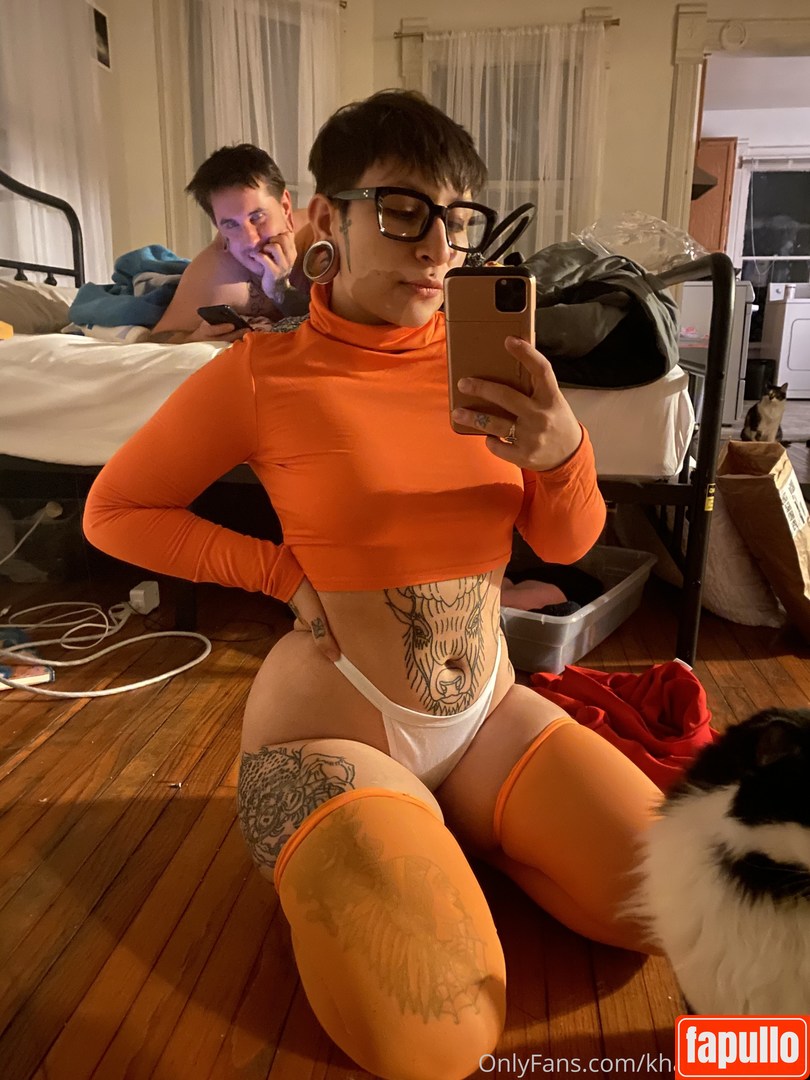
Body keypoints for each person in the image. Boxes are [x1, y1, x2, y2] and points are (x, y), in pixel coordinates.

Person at [84, 90, 661, 1080]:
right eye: (402, 211)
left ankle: (447, 831)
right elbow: (115, 511)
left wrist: (564, 450)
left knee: (666, 904)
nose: (437, 248)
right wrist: (278, 574)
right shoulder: (264, 372)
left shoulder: (495, 370)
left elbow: (568, 542)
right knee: (436, 1039)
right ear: (327, 216)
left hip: (489, 715)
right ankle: (392, 836)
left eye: (458, 218)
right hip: (333, 733)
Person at [150, 143, 312, 343]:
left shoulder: (322, 237)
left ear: (285, 207)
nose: (251, 240)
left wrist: (281, 291)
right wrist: (195, 337)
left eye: (257, 217)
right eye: (231, 225)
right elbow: (157, 340)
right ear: (218, 227)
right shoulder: (217, 272)